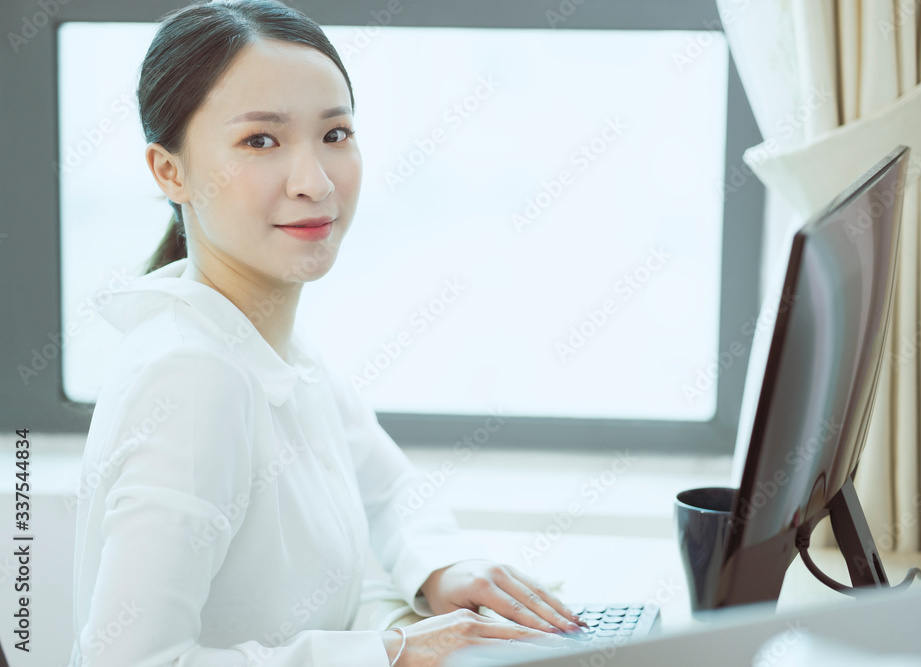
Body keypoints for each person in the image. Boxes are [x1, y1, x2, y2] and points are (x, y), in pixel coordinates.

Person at [69, 1, 587, 664]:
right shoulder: (193, 377)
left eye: (335, 134)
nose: (314, 182)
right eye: (261, 140)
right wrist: (392, 651)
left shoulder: (263, 339)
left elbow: (389, 490)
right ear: (170, 171)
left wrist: (446, 569)